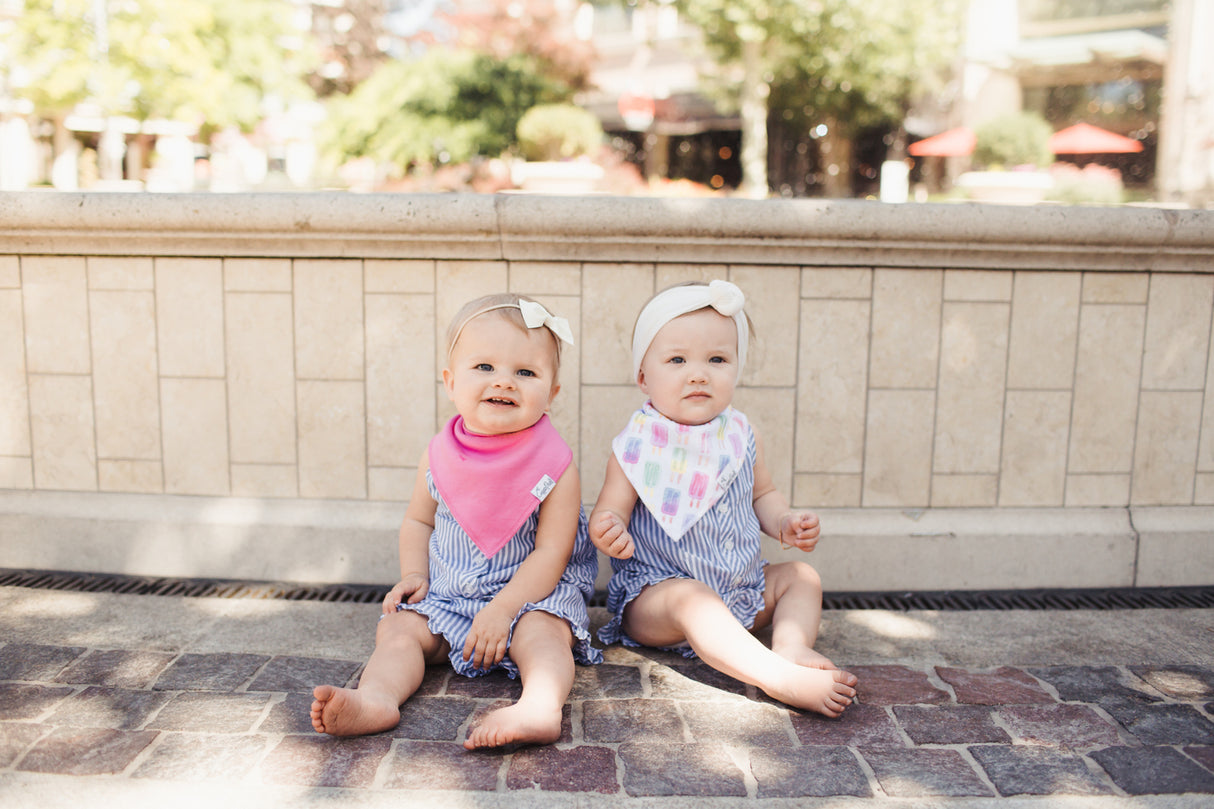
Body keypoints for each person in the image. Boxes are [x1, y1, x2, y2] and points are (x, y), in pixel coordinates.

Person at [312, 293, 601, 748]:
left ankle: (540, 706)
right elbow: (418, 522)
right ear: (450, 382)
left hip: (527, 601)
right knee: (398, 630)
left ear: (552, 393)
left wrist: (503, 610)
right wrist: (414, 575)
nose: (503, 382)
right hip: (451, 599)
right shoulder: (439, 455)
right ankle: (376, 698)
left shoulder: (555, 465)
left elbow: (552, 551)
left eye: (525, 372)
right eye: (484, 367)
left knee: (547, 636)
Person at [589, 280, 857, 717]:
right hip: (658, 601)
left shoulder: (740, 435)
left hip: (741, 592)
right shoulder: (637, 445)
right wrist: (609, 528)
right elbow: (609, 510)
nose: (698, 373)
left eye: (717, 359)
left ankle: (791, 646)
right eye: (677, 360)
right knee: (690, 596)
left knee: (801, 576)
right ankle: (776, 676)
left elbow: (763, 494)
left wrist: (785, 521)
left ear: (737, 368)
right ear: (643, 376)